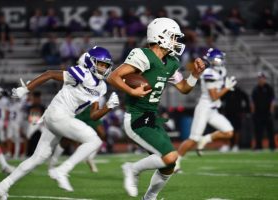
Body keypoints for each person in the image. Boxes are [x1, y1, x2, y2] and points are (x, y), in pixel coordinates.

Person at [0, 46, 120, 199]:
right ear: (91, 62)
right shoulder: (83, 73)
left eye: (106, 65)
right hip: (58, 113)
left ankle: (2, 186)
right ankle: (62, 170)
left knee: (39, 157)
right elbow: (50, 74)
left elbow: (93, 115)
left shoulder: (102, 87)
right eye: (101, 64)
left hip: (63, 117)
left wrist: (108, 107)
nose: (103, 68)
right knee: (94, 140)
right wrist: (25, 90)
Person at [107, 18, 205, 199]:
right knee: (170, 156)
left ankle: (149, 198)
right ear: (161, 36)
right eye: (174, 37)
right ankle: (132, 168)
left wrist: (195, 75)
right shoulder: (143, 55)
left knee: (170, 165)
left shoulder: (171, 62)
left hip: (152, 118)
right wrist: (131, 91)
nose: (177, 41)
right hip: (136, 117)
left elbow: (184, 88)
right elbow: (113, 77)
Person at [174, 48, 237, 172]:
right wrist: (227, 88)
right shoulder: (208, 73)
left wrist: (224, 87)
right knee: (193, 139)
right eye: (219, 59)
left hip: (213, 110)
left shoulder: (221, 70)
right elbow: (214, 97)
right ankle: (175, 161)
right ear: (213, 60)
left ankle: (205, 139)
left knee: (229, 132)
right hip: (204, 108)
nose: (221, 61)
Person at [251, 72, 276, 150]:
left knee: (270, 131)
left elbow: (273, 100)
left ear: (265, 79)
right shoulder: (255, 89)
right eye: (259, 78)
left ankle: (272, 146)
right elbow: (252, 102)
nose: (261, 80)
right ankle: (259, 146)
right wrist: (253, 112)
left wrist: (271, 111)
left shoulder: (269, 88)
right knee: (258, 131)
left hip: (267, 113)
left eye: (262, 78)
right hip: (258, 113)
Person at [222, 86, 250, 152]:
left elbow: (246, 99)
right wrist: (222, 110)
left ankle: (235, 145)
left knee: (237, 130)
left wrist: (245, 110)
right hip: (228, 114)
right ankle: (227, 145)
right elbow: (221, 100)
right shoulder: (227, 91)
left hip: (237, 114)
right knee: (226, 129)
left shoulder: (239, 91)